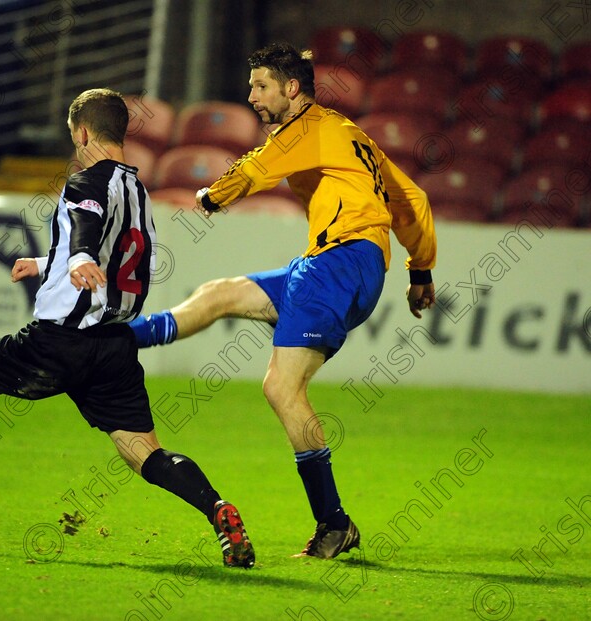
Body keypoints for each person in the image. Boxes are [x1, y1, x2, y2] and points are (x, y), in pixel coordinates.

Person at [0, 88, 255, 569]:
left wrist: (75, 256)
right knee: (143, 452)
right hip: (114, 346)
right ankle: (217, 509)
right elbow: (117, 248)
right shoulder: (138, 189)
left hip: (59, 342)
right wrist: (47, 262)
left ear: (82, 133)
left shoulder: (83, 182)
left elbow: (86, 228)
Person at [129, 43, 437, 560]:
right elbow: (412, 200)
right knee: (220, 294)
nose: (251, 96)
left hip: (339, 264)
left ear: (291, 89)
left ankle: (334, 524)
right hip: (336, 263)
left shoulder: (306, 127)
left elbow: (256, 168)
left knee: (281, 387)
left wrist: (211, 196)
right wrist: (421, 267)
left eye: (261, 86)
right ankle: (118, 337)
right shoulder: (347, 133)